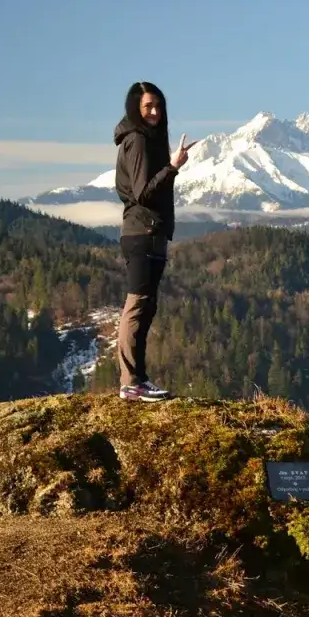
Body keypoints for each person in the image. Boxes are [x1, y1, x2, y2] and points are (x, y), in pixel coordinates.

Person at [113, 81, 194, 402]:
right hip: (142, 234)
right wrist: (172, 167)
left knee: (145, 307)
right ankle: (131, 381)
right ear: (135, 108)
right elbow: (143, 192)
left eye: (159, 106)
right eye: (148, 106)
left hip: (149, 234)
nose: (155, 112)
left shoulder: (145, 140)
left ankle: (137, 379)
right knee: (137, 307)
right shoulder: (137, 141)